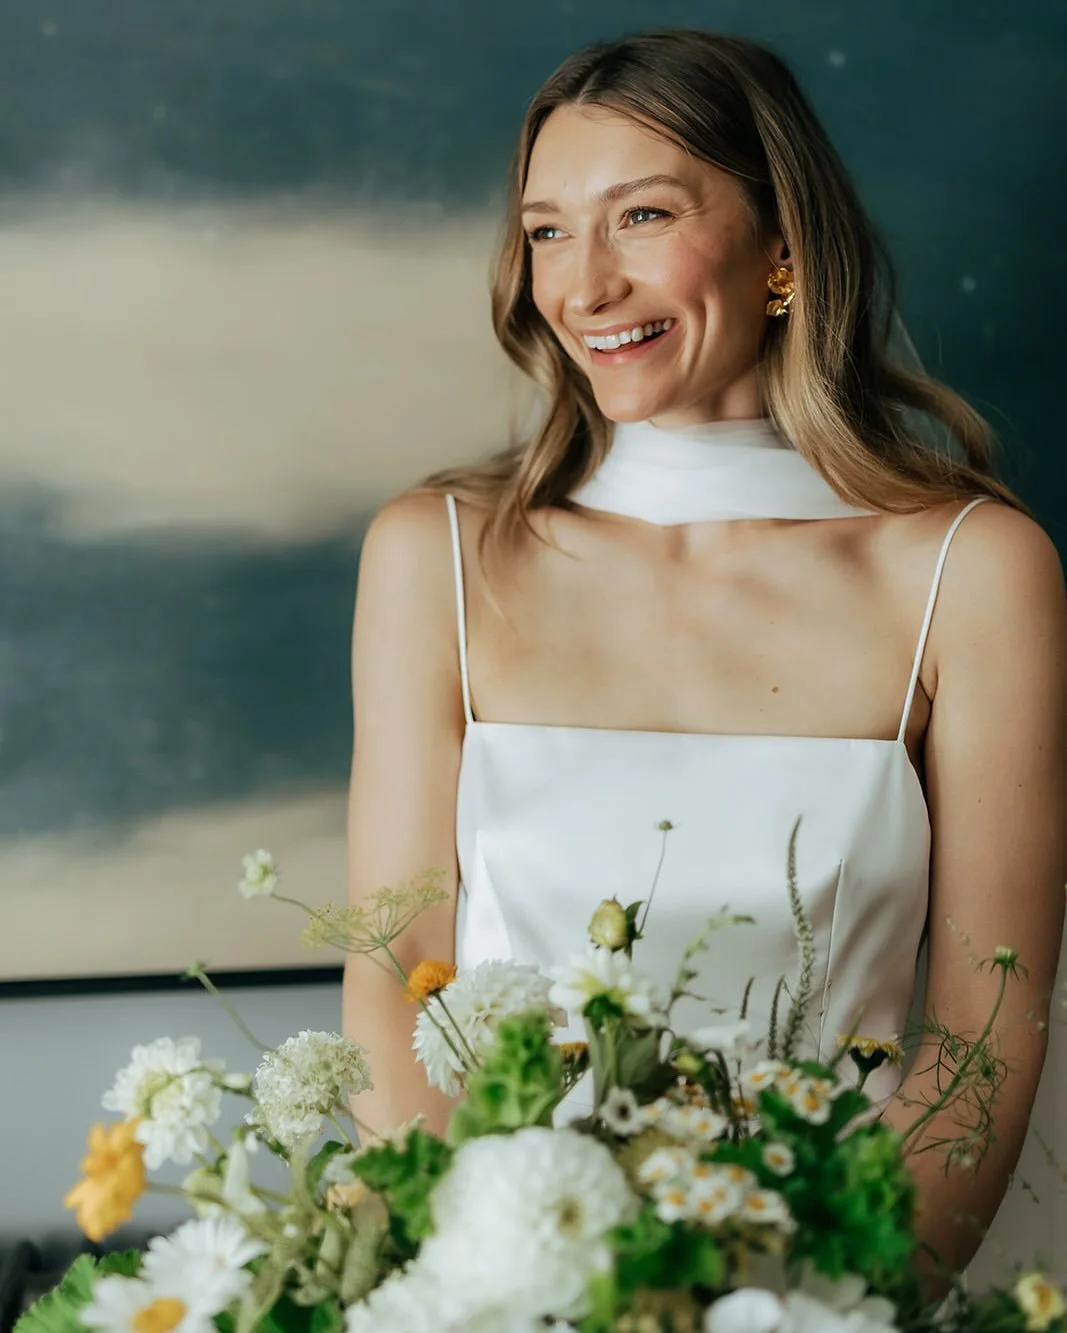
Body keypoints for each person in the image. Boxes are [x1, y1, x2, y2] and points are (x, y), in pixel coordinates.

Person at [344, 29, 1066, 1282]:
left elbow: (978, 1039)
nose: (583, 284)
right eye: (548, 230)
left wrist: (820, 1306)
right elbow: (401, 975)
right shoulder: (437, 555)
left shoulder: (972, 569)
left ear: (781, 244)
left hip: (848, 1284)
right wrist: (494, 1289)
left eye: (641, 215)